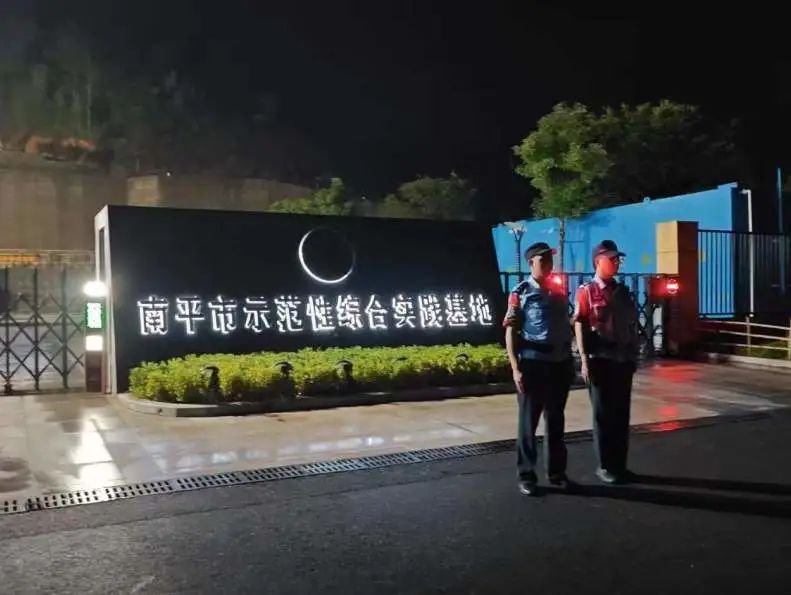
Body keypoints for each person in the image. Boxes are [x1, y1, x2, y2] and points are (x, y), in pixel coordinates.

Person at [504, 242, 574, 496]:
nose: (548, 265)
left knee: (556, 420)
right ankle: (526, 475)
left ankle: (556, 473)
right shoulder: (521, 292)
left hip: (559, 363)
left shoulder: (559, 290)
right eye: (542, 260)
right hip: (534, 363)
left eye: (550, 260)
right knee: (528, 423)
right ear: (530, 263)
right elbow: (511, 331)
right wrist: (515, 368)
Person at [573, 240, 639, 484]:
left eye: (617, 259)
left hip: (622, 359)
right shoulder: (587, 291)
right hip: (599, 359)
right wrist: (583, 359)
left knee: (621, 415)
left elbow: (631, 324)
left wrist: (634, 354)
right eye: (611, 259)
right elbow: (579, 324)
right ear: (597, 261)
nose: (616, 263)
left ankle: (620, 465)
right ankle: (605, 466)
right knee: (603, 415)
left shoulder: (622, 292)